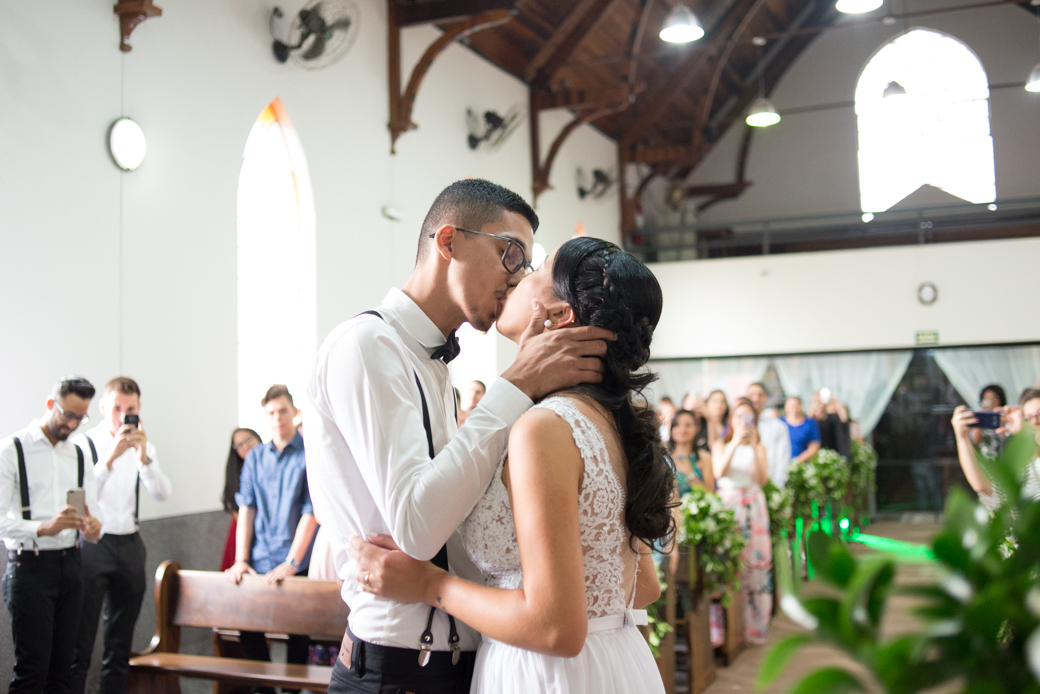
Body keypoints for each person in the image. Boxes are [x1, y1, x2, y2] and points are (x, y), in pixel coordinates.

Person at [305, 179, 614, 694]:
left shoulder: (436, 367)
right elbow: (417, 527)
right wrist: (515, 384)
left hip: (463, 659)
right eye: (510, 253)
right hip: (395, 667)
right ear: (448, 241)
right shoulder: (367, 344)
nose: (517, 278)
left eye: (527, 265)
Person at [348, 236, 671, 694]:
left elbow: (556, 629)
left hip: (547, 674)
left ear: (558, 315)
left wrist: (429, 585)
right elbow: (642, 586)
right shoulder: (615, 421)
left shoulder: (545, 427)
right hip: (615, 661)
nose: (518, 277)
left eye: (536, 270)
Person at [0, 376, 103, 694]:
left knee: (64, 672)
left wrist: (94, 527)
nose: (72, 424)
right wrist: (42, 528)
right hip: (29, 568)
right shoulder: (12, 449)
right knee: (33, 672)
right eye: (67, 414)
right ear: (50, 404)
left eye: (80, 418)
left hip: (71, 565)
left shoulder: (79, 454)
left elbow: (94, 512)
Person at [71, 377, 172, 694]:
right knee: (80, 641)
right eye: (116, 408)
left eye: (130, 409)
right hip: (92, 546)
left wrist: (144, 459)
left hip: (130, 544)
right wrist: (109, 458)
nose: (122, 416)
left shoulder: (143, 445)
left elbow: (163, 494)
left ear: (138, 409)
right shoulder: (84, 444)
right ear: (103, 407)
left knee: (120, 644)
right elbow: (78, 497)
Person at [225, 385, 318, 675]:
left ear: (294, 412)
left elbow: (311, 511)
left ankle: (293, 690)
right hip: (259, 557)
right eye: (271, 413)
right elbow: (247, 508)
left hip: (296, 560)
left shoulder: (310, 454)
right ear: (265, 417)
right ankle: (263, 688)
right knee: (247, 627)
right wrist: (241, 559)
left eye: (283, 411)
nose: (278, 418)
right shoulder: (255, 457)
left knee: (297, 634)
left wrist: (292, 562)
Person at [711, 397, 771, 644]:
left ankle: (755, 627)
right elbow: (719, 472)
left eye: (748, 417)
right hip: (729, 506)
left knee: (756, 565)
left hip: (754, 507)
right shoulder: (720, 444)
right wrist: (735, 442)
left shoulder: (759, 447)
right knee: (730, 563)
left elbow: (762, 479)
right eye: (739, 417)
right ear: (732, 420)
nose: (743, 422)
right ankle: (730, 629)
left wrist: (754, 446)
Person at [953, 388, 1040, 510]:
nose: (1035, 421)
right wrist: (962, 438)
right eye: (1028, 418)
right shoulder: (1023, 466)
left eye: (1039, 414)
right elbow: (984, 486)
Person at [220, 428, 261, 571]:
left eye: (248, 439)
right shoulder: (235, 471)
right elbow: (232, 503)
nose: (245, 446)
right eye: (239, 445)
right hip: (244, 525)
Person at [747, 383, 791, 487]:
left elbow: (782, 458)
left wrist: (777, 486)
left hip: (770, 483)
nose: (756, 399)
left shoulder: (778, 426)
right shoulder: (737, 425)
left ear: (766, 398)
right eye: (752, 395)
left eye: (760, 395)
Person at [668, 409, 714, 495]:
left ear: (697, 428)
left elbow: (710, 494)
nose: (682, 429)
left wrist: (689, 473)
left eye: (688, 425)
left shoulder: (705, 457)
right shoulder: (664, 458)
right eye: (677, 425)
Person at [809, 390, 851, 460]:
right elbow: (809, 420)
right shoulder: (810, 419)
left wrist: (835, 401)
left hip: (831, 453)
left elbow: (844, 419)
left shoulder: (832, 418)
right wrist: (814, 405)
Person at [783, 396, 821, 464]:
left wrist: (797, 462)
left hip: (803, 464)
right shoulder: (779, 423)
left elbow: (814, 446)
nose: (793, 408)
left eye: (796, 405)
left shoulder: (810, 423)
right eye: (790, 406)